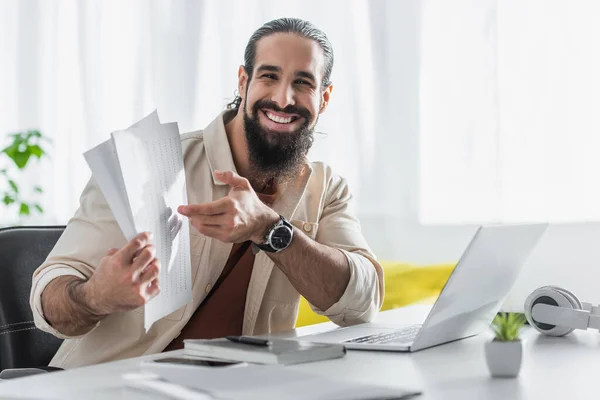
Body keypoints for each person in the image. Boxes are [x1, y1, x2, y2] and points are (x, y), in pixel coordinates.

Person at [30, 17, 384, 368]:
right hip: (107, 388)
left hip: (243, 389)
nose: (283, 98)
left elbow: (363, 304)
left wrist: (272, 230)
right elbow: (48, 300)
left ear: (324, 98)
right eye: (269, 76)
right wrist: (94, 297)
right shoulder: (150, 163)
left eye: (303, 82)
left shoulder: (327, 189)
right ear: (244, 82)